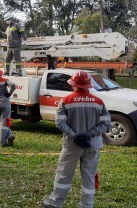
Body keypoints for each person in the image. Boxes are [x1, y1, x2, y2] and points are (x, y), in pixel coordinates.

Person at [42, 71, 111, 208]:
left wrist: (76, 136)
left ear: (73, 85)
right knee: (89, 176)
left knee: (64, 174)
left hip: (72, 145)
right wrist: (89, 135)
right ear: (89, 86)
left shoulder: (66, 100)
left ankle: (55, 203)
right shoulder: (99, 102)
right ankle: (86, 205)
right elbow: (106, 124)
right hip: (93, 145)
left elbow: (60, 123)